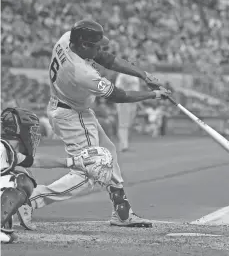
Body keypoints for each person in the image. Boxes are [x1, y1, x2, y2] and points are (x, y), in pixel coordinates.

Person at [17, 19, 171, 230]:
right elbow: (119, 95)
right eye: (95, 45)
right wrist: (153, 94)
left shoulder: (67, 39)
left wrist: (143, 75)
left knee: (109, 151)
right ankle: (27, 200)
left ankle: (122, 212)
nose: (100, 48)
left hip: (72, 109)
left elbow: (106, 59)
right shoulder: (81, 71)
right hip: (73, 116)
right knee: (90, 171)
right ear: (83, 45)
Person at [1, 107, 91, 243]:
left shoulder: (7, 150)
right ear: (20, 130)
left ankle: (4, 226)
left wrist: (72, 161)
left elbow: (36, 161)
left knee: (22, 174)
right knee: (20, 181)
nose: (34, 134)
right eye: (31, 130)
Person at [115, 72, 141, 152]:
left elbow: (137, 89)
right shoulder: (122, 75)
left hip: (133, 101)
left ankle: (125, 144)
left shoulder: (135, 75)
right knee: (123, 124)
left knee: (129, 124)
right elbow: (117, 87)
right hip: (124, 101)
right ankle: (124, 146)